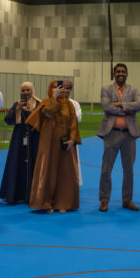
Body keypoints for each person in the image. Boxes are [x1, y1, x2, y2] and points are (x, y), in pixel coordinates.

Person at [27, 80, 81, 212]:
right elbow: (48, 113)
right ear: (50, 89)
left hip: (65, 144)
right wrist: (54, 98)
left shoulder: (69, 104)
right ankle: (46, 203)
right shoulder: (46, 102)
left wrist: (73, 139)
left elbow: (73, 123)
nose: (59, 90)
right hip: (49, 142)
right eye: (56, 87)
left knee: (66, 173)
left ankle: (63, 203)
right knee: (48, 171)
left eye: (61, 87)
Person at [96, 63, 140, 212]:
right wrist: (127, 109)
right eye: (118, 71)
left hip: (129, 135)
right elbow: (106, 107)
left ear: (127, 74)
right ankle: (104, 200)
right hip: (112, 134)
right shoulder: (106, 89)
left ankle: (127, 200)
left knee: (129, 170)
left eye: (123, 71)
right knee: (106, 169)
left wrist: (119, 105)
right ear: (114, 74)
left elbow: (139, 105)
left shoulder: (133, 90)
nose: (121, 74)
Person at [0, 82, 40, 205]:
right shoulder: (17, 104)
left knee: (33, 162)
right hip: (19, 138)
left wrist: (32, 112)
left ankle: (33, 195)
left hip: (34, 137)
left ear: (32, 90)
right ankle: (15, 194)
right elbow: (8, 120)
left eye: (28, 90)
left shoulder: (38, 104)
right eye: (23, 90)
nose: (26, 92)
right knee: (16, 162)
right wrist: (17, 109)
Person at [63, 80, 83, 186]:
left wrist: (65, 117)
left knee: (72, 160)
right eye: (64, 87)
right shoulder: (54, 102)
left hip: (71, 135)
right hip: (57, 136)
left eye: (68, 88)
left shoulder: (75, 104)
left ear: (70, 90)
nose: (66, 90)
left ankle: (73, 183)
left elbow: (78, 118)